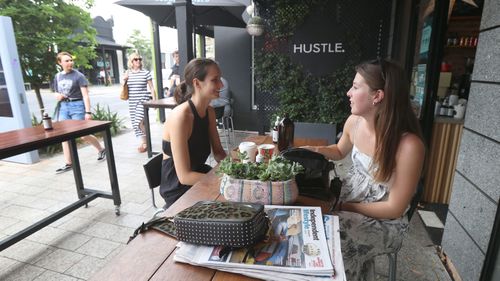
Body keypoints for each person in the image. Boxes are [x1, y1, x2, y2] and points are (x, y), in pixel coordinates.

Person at [302, 59, 425, 280]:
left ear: (377, 96)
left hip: (385, 221)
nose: (349, 92)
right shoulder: (354, 122)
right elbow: (339, 151)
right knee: (305, 219)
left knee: (330, 240)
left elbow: (394, 208)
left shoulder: (408, 146)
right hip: (348, 201)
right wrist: (313, 150)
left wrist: (344, 206)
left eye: (356, 87)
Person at [160, 58, 227, 208]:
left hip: (200, 176)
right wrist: (225, 181)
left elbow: (218, 153)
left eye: (219, 79)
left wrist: (238, 170)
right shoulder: (181, 117)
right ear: (197, 83)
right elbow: (184, 176)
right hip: (178, 189)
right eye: (215, 80)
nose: (221, 85)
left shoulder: (209, 111)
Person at [52, 51, 106, 174]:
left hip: (77, 105)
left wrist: (88, 112)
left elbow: (85, 95)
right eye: (67, 61)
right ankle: (69, 163)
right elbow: (55, 91)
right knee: (64, 136)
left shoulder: (79, 76)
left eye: (71, 60)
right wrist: (58, 95)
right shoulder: (58, 76)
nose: (70, 62)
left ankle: (101, 149)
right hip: (64, 107)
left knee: (82, 134)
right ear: (60, 63)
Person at [122, 53, 157, 153]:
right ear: (131, 62)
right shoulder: (128, 73)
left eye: (139, 59)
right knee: (135, 123)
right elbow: (124, 87)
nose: (138, 61)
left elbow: (151, 87)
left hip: (143, 100)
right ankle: (144, 142)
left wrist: (154, 101)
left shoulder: (145, 73)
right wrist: (124, 80)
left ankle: (146, 141)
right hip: (132, 101)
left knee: (139, 122)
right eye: (136, 59)